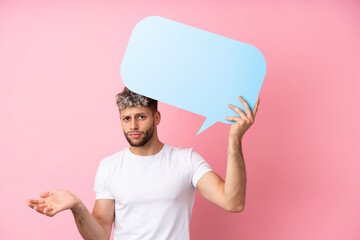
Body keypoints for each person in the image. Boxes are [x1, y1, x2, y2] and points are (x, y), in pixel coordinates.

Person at [27, 87, 260, 240]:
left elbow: (233, 202)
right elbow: (100, 235)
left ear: (156, 118)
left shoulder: (186, 160)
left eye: (141, 116)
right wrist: (77, 206)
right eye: (126, 119)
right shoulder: (109, 167)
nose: (133, 126)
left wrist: (234, 138)